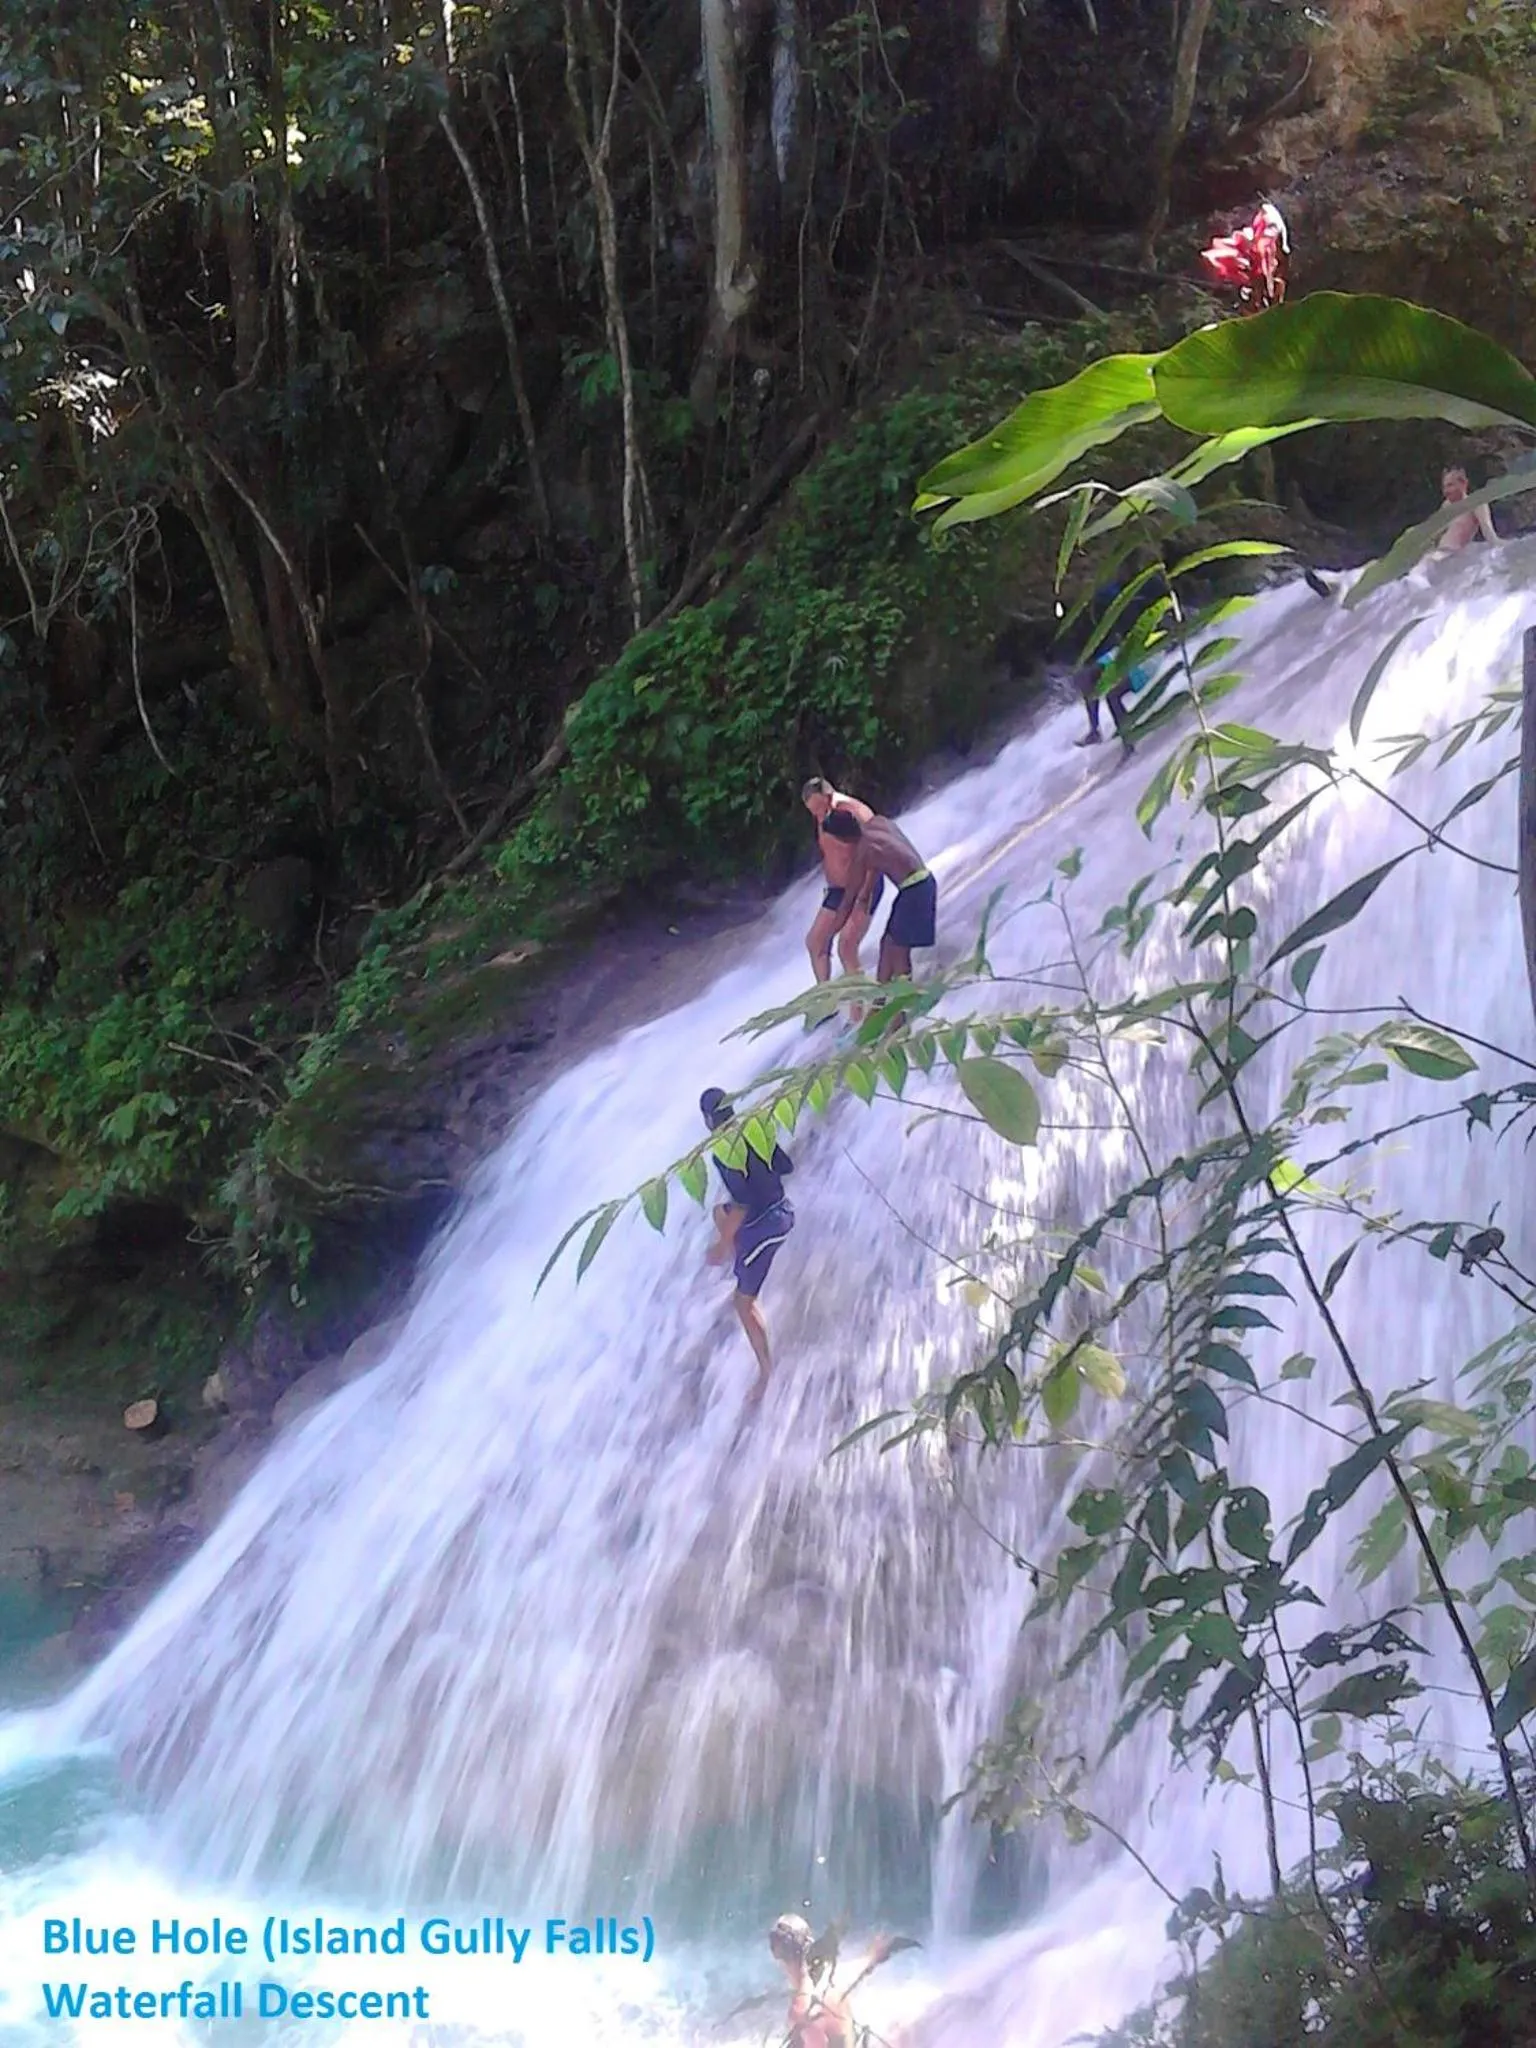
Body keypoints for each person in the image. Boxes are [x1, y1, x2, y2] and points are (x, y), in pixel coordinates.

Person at [700, 1087, 794, 1399]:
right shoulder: (756, 1128)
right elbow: (785, 1166)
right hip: (784, 1210)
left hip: (766, 1226)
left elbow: (741, 1205)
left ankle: (766, 1372)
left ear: (707, 1119)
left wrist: (721, 1245)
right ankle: (745, 1267)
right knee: (718, 1211)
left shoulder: (723, 1151)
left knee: (742, 1303)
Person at [819, 809, 936, 986]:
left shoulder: (863, 852)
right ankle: (880, 1001)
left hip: (913, 891)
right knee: (887, 944)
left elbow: (848, 901)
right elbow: (883, 859)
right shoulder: (879, 822)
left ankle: (901, 1003)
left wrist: (828, 937)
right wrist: (867, 893)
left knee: (898, 952)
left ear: (843, 839)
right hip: (924, 881)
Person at [801, 778, 885, 1006]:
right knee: (815, 942)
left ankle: (864, 1009)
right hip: (837, 890)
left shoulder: (853, 812)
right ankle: (827, 1003)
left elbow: (875, 852)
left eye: (820, 808)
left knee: (846, 947)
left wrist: (864, 895)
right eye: (813, 811)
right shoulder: (822, 816)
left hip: (863, 885)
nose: (818, 814)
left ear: (830, 796)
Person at [1436, 466, 1498, 554]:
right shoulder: (1446, 505)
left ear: (1463, 483)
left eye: (1450, 485)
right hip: (1438, 554)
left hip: (1453, 555)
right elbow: (1435, 534)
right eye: (1444, 487)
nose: (1446, 491)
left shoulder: (1476, 504)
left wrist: (1501, 547)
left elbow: (1488, 532)